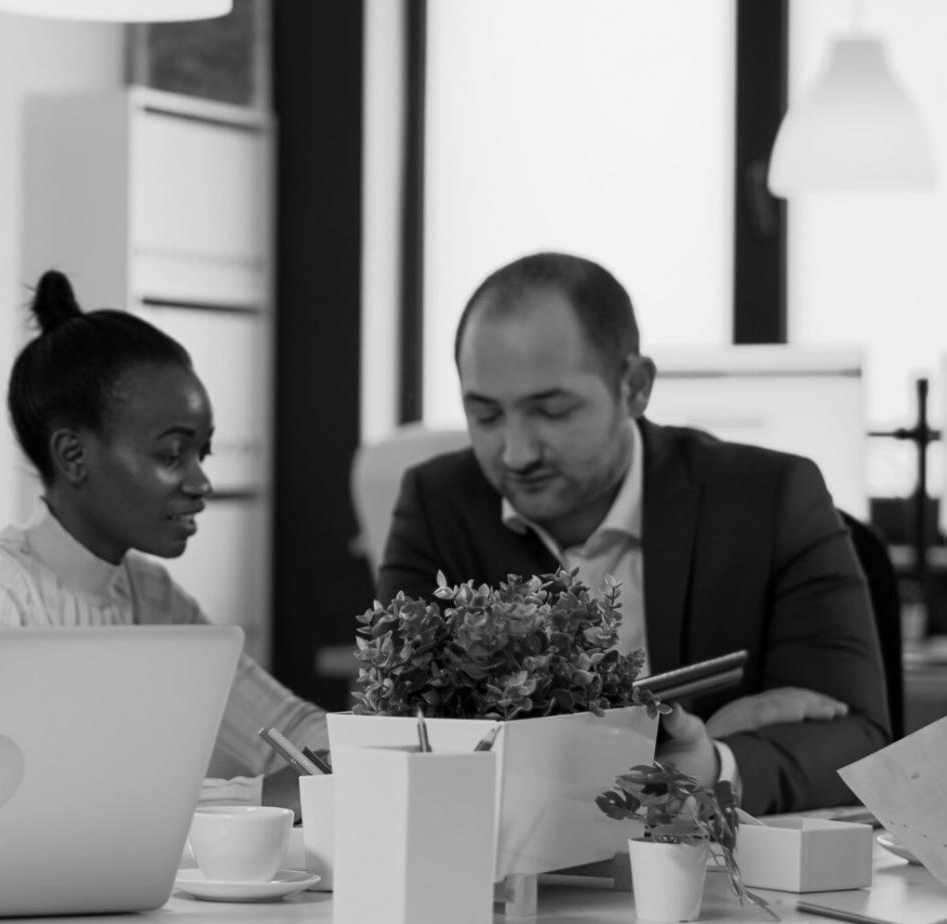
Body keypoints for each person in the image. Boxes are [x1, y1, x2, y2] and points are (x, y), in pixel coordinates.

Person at [378, 250, 890, 814]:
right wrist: (661, 744)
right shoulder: (438, 504)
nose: (517, 454)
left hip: (714, 882)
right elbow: (402, 734)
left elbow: (861, 742)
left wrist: (714, 762)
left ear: (636, 386)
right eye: (487, 416)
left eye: (551, 412)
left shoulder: (769, 498)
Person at [0, 270, 328, 788]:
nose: (201, 482)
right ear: (74, 455)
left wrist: (384, 756)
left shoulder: (153, 596)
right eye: (171, 454)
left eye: (203, 453)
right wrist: (255, 800)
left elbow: (287, 732)